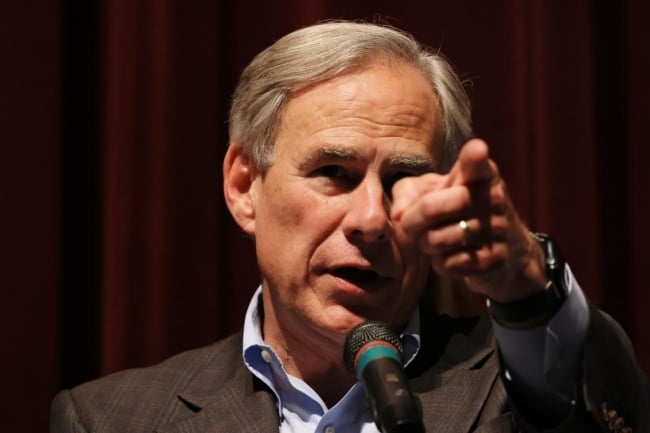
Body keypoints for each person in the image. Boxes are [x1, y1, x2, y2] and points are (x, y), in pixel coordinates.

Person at [50, 21, 649, 433]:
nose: (371, 220)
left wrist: (526, 287)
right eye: (334, 172)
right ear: (243, 188)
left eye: (401, 179)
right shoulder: (110, 418)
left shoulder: (515, 387)